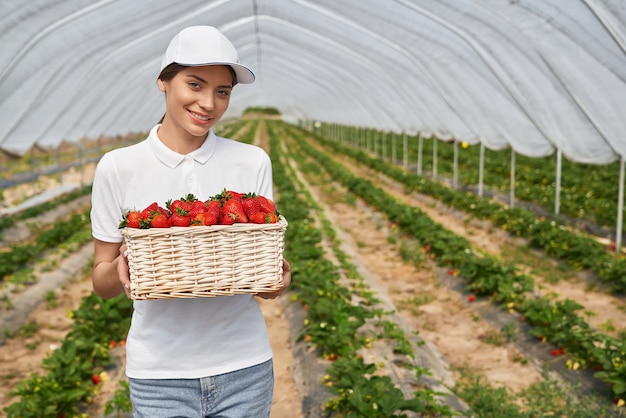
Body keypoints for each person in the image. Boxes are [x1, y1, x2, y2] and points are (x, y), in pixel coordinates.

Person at [90, 25, 291, 417]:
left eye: (223, 91)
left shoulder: (252, 161)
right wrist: (120, 268)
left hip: (244, 367)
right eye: (194, 84)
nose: (208, 103)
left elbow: (262, 280)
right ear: (164, 82)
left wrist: (278, 280)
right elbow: (102, 282)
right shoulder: (118, 167)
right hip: (158, 375)